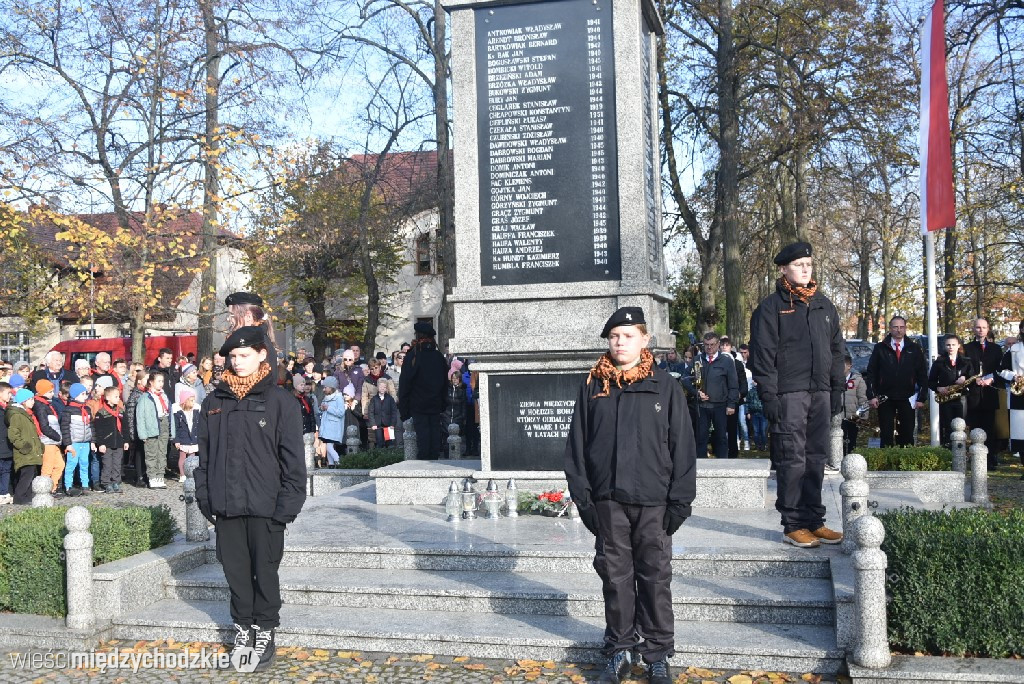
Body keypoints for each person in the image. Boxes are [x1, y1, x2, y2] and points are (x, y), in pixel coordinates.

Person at [564, 306, 696, 684]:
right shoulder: (593, 384)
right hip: (608, 500)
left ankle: (655, 653)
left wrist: (680, 501)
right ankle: (619, 649)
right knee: (615, 578)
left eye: (627, 335)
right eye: (614, 336)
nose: (619, 342)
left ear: (644, 340)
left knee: (655, 578)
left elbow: (683, 447)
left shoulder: (665, 385)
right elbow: (577, 446)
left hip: (654, 500)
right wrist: (584, 498)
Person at [195, 326, 306, 672]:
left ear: (261, 355)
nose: (237, 362)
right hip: (226, 507)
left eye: (244, 355)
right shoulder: (214, 402)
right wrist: (205, 498)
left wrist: (284, 510)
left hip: (266, 508)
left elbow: (293, 463)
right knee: (236, 573)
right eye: (232, 356)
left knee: (264, 572)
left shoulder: (280, 401)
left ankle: (265, 632)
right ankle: (243, 631)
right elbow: (205, 456)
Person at [748, 241, 845, 548]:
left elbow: (836, 349)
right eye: (799, 265)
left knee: (817, 457)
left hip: (820, 392)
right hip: (789, 394)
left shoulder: (823, 305)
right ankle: (793, 523)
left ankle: (814, 520)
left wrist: (836, 388)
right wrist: (770, 396)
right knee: (793, 459)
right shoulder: (771, 308)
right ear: (784, 269)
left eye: (809, 265)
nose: (806, 269)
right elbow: (762, 357)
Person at [864, 316, 928, 447]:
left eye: (901, 327)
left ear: (905, 328)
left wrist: (922, 397)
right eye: (895, 327)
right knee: (886, 433)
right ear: (890, 328)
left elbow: (922, 374)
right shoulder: (880, 348)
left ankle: (904, 463)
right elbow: (871, 373)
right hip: (885, 397)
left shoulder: (914, 349)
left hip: (908, 396)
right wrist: (871, 395)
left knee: (906, 433)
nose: (899, 330)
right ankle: (886, 463)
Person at [681, 332, 738, 459]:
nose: (709, 347)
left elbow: (733, 385)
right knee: (701, 437)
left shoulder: (726, 361)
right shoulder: (697, 360)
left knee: (721, 437)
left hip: (720, 405)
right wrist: (696, 392)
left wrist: (731, 404)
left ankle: (723, 465)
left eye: (712, 344)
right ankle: (701, 466)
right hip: (702, 406)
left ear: (718, 344)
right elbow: (685, 378)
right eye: (706, 345)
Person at [397, 322, 448, 460]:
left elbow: (405, 384)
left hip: (418, 405)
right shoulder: (438, 357)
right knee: (434, 441)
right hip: (435, 404)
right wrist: (443, 403)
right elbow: (445, 383)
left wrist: (404, 409)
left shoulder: (414, 356)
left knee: (423, 442)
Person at [963, 318, 1004, 468]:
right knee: (975, 427)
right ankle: (975, 459)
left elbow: (1000, 370)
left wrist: (991, 379)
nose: (981, 330)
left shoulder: (995, 349)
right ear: (973, 329)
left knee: (990, 428)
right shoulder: (967, 348)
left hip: (989, 393)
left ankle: (990, 459)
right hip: (973, 393)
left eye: (983, 327)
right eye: (978, 327)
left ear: (988, 329)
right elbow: (964, 368)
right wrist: (975, 379)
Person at [928, 335, 974, 447]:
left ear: (958, 346)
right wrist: (939, 388)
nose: (951, 347)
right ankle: (947, 450)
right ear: (944, 346)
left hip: (961, 397)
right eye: (948, 345)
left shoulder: (966, 362)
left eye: (953, 345)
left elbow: (972, 377)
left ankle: (960, 450)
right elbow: (930, 381)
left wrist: (965, 378)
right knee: (947, 426)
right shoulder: (939, 362)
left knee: (961, 425)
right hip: (946, 398)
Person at [136, 372, 174, 489]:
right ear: (151, 382)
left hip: (163, 424)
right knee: (151, 453)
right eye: (158, 381)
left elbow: (170, 413)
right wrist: (142, 434)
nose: (161, 384)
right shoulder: (145, 397)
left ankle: (160, 476)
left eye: (162, 381)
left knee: (162, 453)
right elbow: (140, 417)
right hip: (151, 427)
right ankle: (152, 477)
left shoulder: (164, 396)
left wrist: (172, 430)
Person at [6, 388, 43, 505]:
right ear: (23, 401)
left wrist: (39, 445)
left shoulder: (25, 414)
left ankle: (26, 498)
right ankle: (19, 498)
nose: (33, 402)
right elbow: (13, 434)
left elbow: (31, 434)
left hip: (30, 452)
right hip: (25, 453)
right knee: (26, 476)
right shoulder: (17, 415)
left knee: (30, 475)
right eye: (30, 399)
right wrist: (23, 446)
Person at [998, 319, 1024, 473]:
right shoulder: (1014, 349)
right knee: (1021, 432)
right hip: (1019, 395)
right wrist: (1014, 376)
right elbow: (1001, 370)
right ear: (1021, 329)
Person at [60, 383, 93, 496]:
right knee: (71, 464)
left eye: (85, 394)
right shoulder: (68, 410)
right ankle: (68, 485)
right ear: (75, 395)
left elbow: (91, 426)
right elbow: (64, 428)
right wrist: (68, 444)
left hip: (85, 442)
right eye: (83, 394)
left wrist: (92, 441)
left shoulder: (87, 409)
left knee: (85, 463)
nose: (85, 396)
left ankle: (85, 485)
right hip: (74, 443)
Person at [93, 385, 127, 494]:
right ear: (107, 398)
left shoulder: (121, 411)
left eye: (119, 396)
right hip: (106, 443)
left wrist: (126, 441)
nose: (118, 398)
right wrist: (101, 443)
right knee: (107, 464)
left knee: (117, 464)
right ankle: (106, 483)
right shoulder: (101, 413)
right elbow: (98, 430)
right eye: (116, 396)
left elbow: (125, 427)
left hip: (119, 442)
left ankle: (116, 482)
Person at [33, 379, 65, 494]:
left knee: (59, 465)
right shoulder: (40, 406)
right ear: (43, 392)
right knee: (47, 467)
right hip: (48, 441)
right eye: (50, 391)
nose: (53, 394)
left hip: (53, 441)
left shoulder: (47, 404)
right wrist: (57, 437)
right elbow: (44, 426)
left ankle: (52, 488)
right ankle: (43, 491)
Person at [720, 337, 748, 457]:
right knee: (720, 429)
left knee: (732, 429)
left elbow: (744, 384)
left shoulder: (737, 364)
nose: (724, 347)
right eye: (722, 345)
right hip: (719, 401)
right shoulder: (716, 361)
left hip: (733, 400)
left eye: (726, 345)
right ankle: (720, 452)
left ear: (730, 347)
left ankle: (733, 453)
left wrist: (739, 394)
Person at [840, 354, 868, 455]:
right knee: (838, 443)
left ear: (849, 366)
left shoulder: (858, 380)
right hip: (838, 417)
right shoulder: (834, 380)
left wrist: (863, 416)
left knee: (852, 441)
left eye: (841, 365)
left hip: (853, 417)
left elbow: (862, 399)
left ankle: (851, 462)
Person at [173, 389, 201, 483]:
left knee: (192, 458)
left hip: (193, 439)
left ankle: (191, 474)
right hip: (183, 439)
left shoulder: (196, 413)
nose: (194, 403)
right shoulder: (178, 415)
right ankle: (182, 474)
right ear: (185, 402)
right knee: (182, 457)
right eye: (191, 400)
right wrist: (176, 440)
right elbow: (176, 428)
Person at [441, 365, 468, 455]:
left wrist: (463, 416)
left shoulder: (462, 390)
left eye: (456, 378)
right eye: (453, 378)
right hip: (447, 415)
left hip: (457, 415)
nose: (454, 380)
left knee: (457, 436)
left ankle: (455, 453)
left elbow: (463, 404)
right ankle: (446, 452)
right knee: (445, 435)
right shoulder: (448, 389)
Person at [368, 378, 399, 448]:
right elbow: (371, 412)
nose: (382, 388)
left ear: (386, 388)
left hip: (388, 425)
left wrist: (392, 424)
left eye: (384, 387)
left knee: (389, 444)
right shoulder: (374, 399)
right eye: (380, 386)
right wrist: (373, 424)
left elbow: (394, 412)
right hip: (378, 425)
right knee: (379, 443)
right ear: (378, 387)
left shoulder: (390, 399)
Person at [0, 382, 14, 505]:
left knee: (6, 470)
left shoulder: (8, 408)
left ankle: (4, 492)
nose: (10, 395)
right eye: (8, 393)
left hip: (7, 445)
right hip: (1, 444)